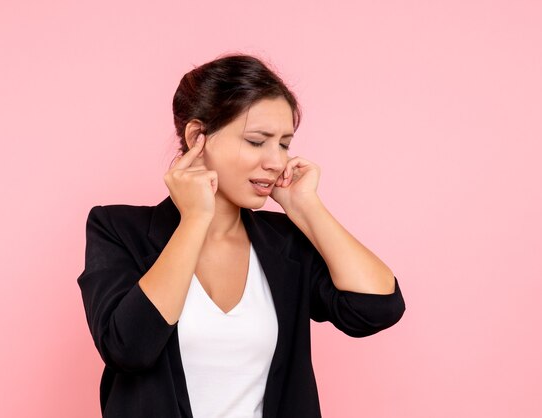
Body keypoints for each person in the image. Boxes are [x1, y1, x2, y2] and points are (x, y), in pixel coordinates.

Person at [77, 53, 406, 418]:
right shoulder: (118, 230)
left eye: (283, 143)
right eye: (256, 141)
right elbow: (129, 348)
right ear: (197, 137)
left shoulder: (284, 242)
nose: (276, 162)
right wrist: (195, 219)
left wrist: (305, 208)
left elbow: (378, 307)